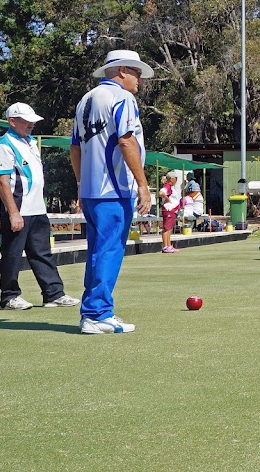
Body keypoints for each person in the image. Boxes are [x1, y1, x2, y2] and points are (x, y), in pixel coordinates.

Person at [70, 49, 154, 334]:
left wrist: (81, 185)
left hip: (93, 191)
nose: (139, 80)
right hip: (114, 190)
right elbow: (126, 140)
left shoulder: (85, 100)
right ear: (122, 71)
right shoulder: (123, 98)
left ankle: (91, 312)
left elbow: (75, 148)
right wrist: (142, 184)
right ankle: (98, 313)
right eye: (137, 73)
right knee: (109, 251)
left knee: (96, 251)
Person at [0, 102, 80, 310]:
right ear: (12, 121)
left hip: (37, 209)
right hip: (18, 210)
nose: (31, 124)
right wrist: (13, 213)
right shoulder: (4, 146)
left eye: (32, 120)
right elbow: (1, 182)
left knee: (43, 253)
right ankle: (9, 296)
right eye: (26, 120)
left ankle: (53, 294)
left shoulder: (31, 142)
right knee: (12, 254)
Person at [159, 170, 181, 253]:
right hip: (168, 209)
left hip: (172, 210)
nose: (176, 180)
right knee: (166, 228)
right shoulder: (167, 186)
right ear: (172, 179)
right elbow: (161, 193)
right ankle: (165, 246)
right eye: (175, 178)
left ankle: (169, 245)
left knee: (169, 228)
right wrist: (167, 200)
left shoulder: (171, 187)